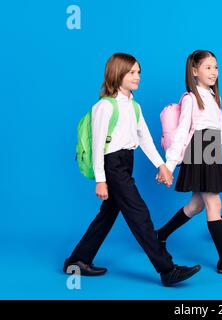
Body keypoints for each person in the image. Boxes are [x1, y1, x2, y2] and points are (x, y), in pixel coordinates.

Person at [64, 53, 200, 287]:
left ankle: (77, 261)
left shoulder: (134, 107)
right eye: (132, 73)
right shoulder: (104, 106)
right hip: (112, 164)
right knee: (140, 214)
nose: (138, 77)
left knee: (107, 215)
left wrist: (162, 165)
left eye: (139, 72)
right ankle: (167, 269)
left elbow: (144, 138)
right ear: (118, 74)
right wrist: (100, 179)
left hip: (127, 162)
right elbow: (98, 146)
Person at [156, 50, 222, 276]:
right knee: (215, 205)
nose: (213, 72)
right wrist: (169, 166)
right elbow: (182, 133)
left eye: (216, 67)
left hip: (211, 150)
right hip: (200, 151)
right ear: (194, 71)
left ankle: (160, 235)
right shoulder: (191, 98)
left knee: (196, 205)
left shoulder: (214, 97)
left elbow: (220, 134)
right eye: (208, 67)